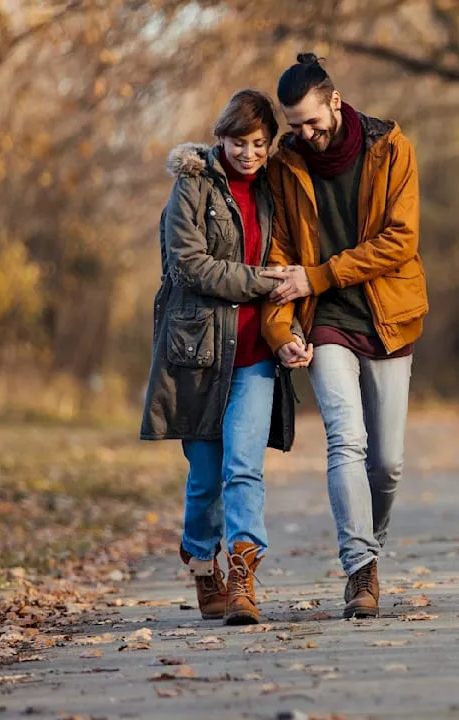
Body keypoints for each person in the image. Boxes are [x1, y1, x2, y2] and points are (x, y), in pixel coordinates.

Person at [261, 54, 427, 619]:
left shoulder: (391, 147)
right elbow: (281, 256)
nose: (304, 133)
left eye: (311, 120)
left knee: (388, 463)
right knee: (345, 440)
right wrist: (283, 329)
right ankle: (361, 567)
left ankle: (368, 545)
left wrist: (322, 272)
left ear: (335, 100)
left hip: (386, 315)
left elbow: (399, 240)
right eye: (294, 124)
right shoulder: (286, 165)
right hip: (326, 320)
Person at [140, 89, 313, 626]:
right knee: (205, 479)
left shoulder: (273, 190)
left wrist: (292, 326)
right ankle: (200, 561)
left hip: (255, 354)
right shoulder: (191, 185)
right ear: (222, 138)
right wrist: (261, 281)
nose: (249, 154)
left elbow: (291, 258)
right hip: (199, 352)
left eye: (260, 144)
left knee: (244, 469)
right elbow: (190, 264)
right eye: (240, 142)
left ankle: (243, 575)